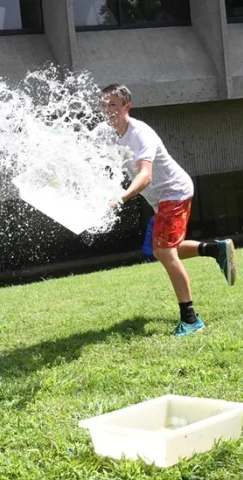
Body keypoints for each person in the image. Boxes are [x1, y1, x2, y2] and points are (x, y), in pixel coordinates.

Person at [96, 83, 237, 337]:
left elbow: (146, 175)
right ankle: (215, 248)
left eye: (113, 105)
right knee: (161, 250)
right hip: (160, 199)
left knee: (163, 251)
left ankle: (191, 318)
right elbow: (84, 148)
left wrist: (122, 197)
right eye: (103, 104)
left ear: (127, 107)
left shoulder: (140, 134)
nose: (107, 110)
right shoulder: (106, 132)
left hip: (174, 192)